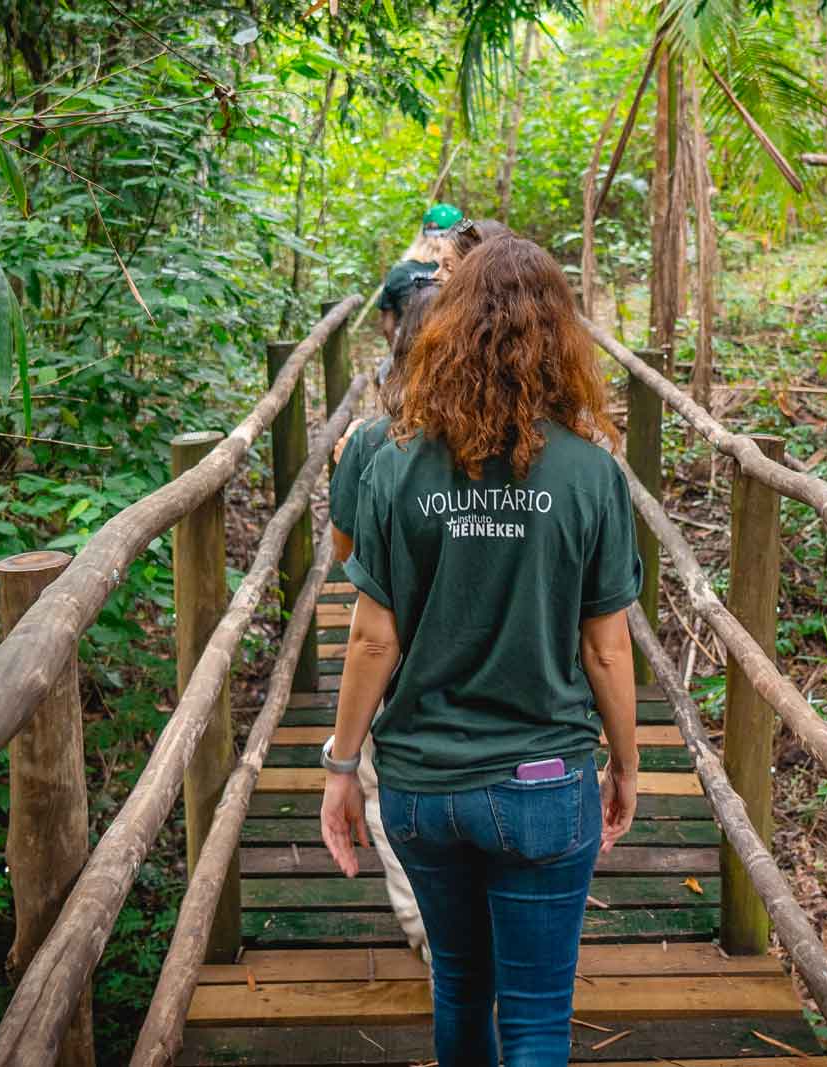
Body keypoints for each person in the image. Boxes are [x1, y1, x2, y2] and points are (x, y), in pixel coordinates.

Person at [319, 236, 643, 1066]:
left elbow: (371, 635)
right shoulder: (590, 473)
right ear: (560, 336)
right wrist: (628, 766)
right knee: (535, 1018)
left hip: (426, 790)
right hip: (542, 783)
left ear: (447, 330)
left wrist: (342, 765)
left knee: (461, 986)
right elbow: (608, 651)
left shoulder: (396, 463)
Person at [325, 279, 440, 962]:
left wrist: (338, 755)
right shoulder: (525, 449)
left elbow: (346, 555)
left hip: (393, 668)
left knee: (381, 780)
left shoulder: (373, 443)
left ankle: (427, 931)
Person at [377, 203, 463, 344]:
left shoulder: (399, 272)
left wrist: (397, 354)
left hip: (407, 351)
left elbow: (388, 327)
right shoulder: (462, 268)